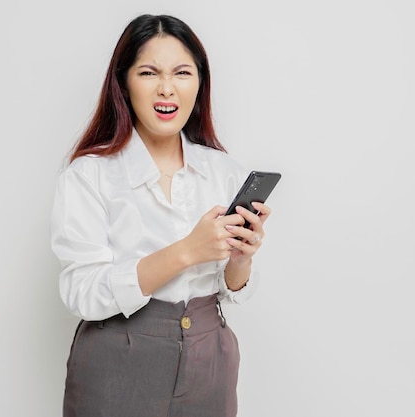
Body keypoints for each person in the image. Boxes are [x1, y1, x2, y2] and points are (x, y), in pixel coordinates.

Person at [50, 13, 273, 417]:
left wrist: (241, 259)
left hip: (211, 363)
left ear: (199, 82)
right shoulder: (90, 174)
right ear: (124, 81)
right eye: (149, 72)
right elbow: (80, 292)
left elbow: (231, 290)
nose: (166, 88)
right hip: (117, 361)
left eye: (182, 73)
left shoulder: (224, 171)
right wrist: (187, 251)